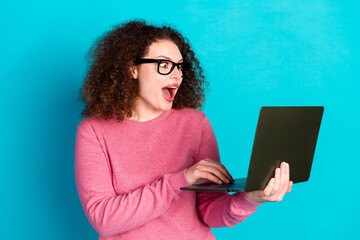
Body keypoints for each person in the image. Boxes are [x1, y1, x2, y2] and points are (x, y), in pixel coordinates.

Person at [75, 20, 293, 240]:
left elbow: (210, 212)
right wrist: (182, 179)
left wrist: (250, 198)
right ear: (133, 68)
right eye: (164, 64)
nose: (177, 75)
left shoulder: (195, 124)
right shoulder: (94, 131)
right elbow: (104, 219)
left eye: (179, 66)